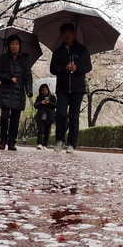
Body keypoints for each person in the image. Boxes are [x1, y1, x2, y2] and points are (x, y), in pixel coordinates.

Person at [49, 22, 91, 151]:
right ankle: (59, 140)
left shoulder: (82, 50)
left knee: (74, 116)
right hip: (62, 88)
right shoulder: (58, 52)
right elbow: (53, 69)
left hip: (78, 89)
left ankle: (72, 143)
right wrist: (64, 68)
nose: (66, 36)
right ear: (61, 35)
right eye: (64, 34)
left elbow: (88, 67)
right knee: (61, 114)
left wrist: (77, 68)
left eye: (69, 33)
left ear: (74, 35)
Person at [0, 36, 33, 150]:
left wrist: (29, 90)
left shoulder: (24, 59)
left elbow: (28, 76)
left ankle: (12, 142)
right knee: (4, 117)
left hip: (18, 92)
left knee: (15, 119)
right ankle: (3, 140)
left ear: (20, 45)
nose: (14, 46)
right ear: (8, 46)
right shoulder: (4, 58)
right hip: (5, 91)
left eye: (16, 44)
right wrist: (8, 78)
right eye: (11, 44)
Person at [32, 84, 57, 149]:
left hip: (49, 116)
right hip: (40, 115)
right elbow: (35, 105)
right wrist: (41, 103)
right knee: (40, 130)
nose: (44, 91)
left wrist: (49, 102)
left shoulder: (52, 97)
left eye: (45, 90)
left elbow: (55, 105)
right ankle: (39, 143)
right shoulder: (39, 97)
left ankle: (45, 144)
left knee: (47, 131)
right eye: (43, 90)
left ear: (48, 90)